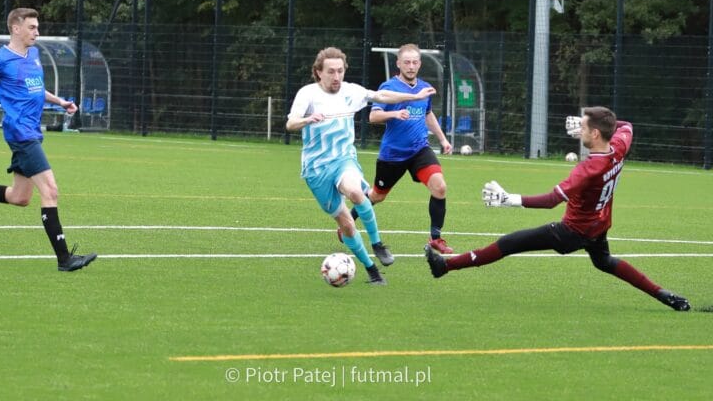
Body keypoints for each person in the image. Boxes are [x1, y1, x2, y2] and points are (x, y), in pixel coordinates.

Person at [424, 106, 691, 311]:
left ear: (595, 134)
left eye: (584, 127)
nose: (579, 131)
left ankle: (445, 267)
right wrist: (594, 123)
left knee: (508, 243)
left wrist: (510, 199)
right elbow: (626, 125)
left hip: (572, 232)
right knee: (605, 262)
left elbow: (552, 199)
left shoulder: (588, 169)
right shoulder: (618, 146)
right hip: (599, 225)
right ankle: (664, 295)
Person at [0, 7, 97, 272]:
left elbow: (37, 89)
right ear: (15, 28)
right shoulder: (1, 60)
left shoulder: (34, 54)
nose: (37, 32)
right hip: (21, 134)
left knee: (19, 197)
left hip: (32, 132)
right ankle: (64, 259)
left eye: (37, 27)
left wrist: (60, 101)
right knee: (50, 190)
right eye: (32, 27)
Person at [286, 46, 436, 285]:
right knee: (346, 224)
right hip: (316, 170)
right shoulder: (308, 94)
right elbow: (291, 123)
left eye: (340, 71)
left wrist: (414, 97)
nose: (337, 77)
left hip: (344, 160)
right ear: (318, 72)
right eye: (331, 72)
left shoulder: (351, 91)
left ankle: (377, 243)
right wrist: (307, 120)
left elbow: (382, 96)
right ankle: (372, 270)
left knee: (356, 191)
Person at [346, 43, 455, 254]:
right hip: (393, 155)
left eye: (415, 62)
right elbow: (373, 116)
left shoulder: (424, 88)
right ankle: (348, 219)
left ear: (420, 64)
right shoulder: (388, 88)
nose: (411, 66)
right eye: (407, 62)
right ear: (399, 63)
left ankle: (435, 238)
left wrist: (443, 139)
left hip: (419, 150)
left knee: (439, 187)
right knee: (377, 196)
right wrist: (394, 114)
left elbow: (427, 114)